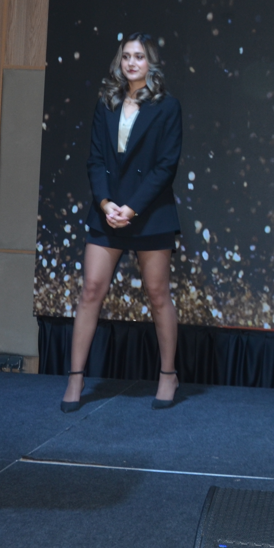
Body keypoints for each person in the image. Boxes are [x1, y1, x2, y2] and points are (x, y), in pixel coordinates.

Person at [63, 33, 183, 412]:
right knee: (91, 291)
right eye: (127, 56)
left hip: (149, 213)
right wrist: (105, 204)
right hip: (107, 211)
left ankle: (168, 375)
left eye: (140, 57)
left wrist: (131, 208)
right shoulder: (107, 103)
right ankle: (76, 378)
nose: (132, 62)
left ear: (152, 63)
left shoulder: (168, 107)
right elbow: (96, 159)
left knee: (158, 294)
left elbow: (166, 166)